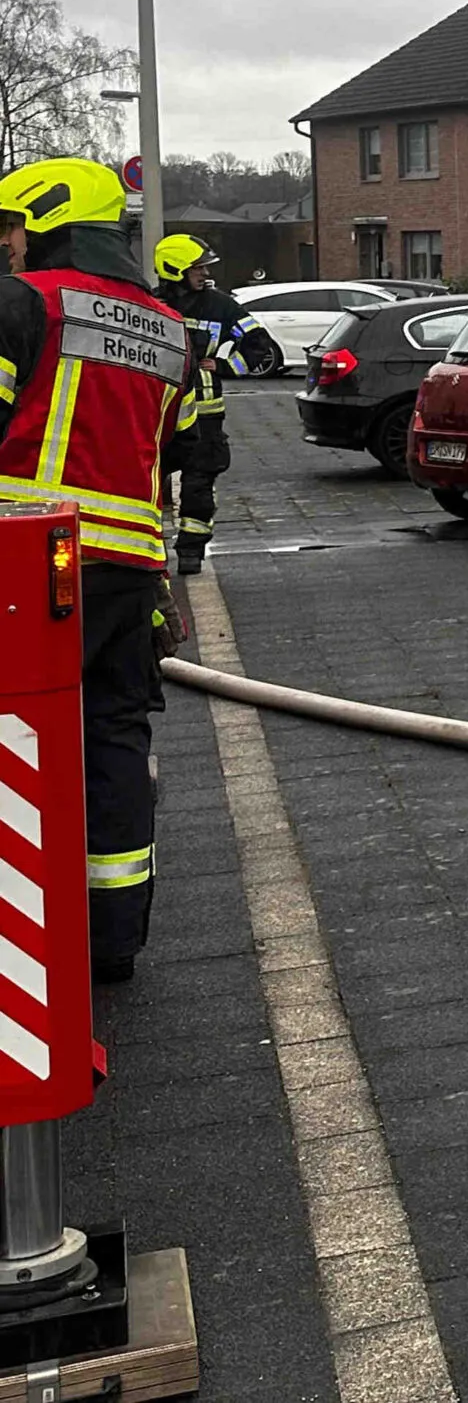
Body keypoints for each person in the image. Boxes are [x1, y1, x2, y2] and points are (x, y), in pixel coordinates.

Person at [0, 158, 196, 984]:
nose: (5, 245)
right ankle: (112, 934)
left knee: (16, 734)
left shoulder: (24, 302)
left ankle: (20, 936)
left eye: (9, 227)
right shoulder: (168, 328)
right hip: (128, 570)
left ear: (46, 220)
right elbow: (174, 448)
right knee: (114, 736)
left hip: (26, 559)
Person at [153, 234, 261, 575]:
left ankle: (190, 550)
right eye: (196, 267)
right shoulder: (149, 303)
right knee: (147, 479)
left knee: (199, 482)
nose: (203, 273)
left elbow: (259, 344)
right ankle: (144, 547)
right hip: (158, 408)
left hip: (204, 412)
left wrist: (227, 366)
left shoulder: (221, 305)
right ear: (174, 269)